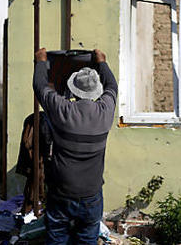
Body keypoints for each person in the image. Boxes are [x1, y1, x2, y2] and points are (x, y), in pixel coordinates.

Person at [33, 47, 118, 245]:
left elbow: (40, 86)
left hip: (61, 192)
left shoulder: (63, 109)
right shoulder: (105, 111)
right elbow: (112, 86)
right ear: (97, 90)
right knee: (87, 240)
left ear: (73, 90)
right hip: (91, 194)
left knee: (56, 239)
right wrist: (102, 62)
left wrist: (41, 62)